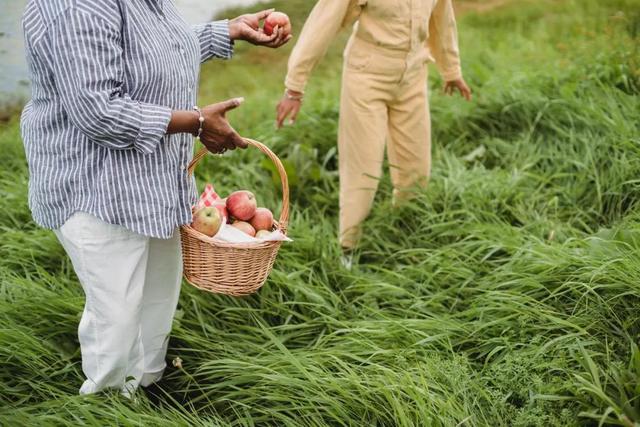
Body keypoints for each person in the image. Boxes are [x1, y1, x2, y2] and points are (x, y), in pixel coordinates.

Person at [20, 0, 289, 396]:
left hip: (154, 180)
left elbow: (151, 51)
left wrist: (227, 30)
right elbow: (100, 112)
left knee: (157, 299)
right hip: (98, 188)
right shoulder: (75, 6)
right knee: (118, 318)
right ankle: (107, 403)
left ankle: (148, 388)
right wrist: (197, 122)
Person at [276, 0, 471, 253]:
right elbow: (322, 24)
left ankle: (404, 238)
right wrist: (294, 87)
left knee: (416, 170)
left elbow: (442, 19)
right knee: (363, 172)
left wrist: (451, 70)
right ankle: (348, 249)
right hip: (366, 78)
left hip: (413, 77)